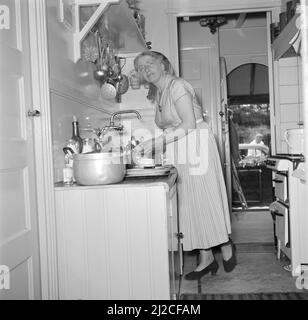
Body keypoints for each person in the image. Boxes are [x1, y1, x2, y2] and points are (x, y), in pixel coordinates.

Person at [132, 50, 236, 280]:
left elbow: (189, 124)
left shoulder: (178, 86)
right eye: (140, 67)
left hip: (196, 144)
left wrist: (156, 142)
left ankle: (225, 242)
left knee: (205, 199)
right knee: (191, 203)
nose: (146, 69)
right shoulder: (160, 92)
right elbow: (171, 126)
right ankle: (206, 257)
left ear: (163, 64)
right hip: (180, 148)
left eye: (150, 63)